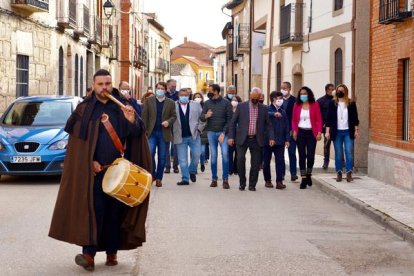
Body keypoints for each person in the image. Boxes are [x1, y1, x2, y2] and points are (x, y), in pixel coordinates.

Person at [49, 69, 152, 271]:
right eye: (100, 84)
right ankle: (88, 254)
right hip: (94, 172)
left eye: (107, 83)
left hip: (119, 172)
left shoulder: (122, 106)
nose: (105, 88)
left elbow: (137, 135)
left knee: (115, 212)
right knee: (94, 210)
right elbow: (78, 145)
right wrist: (89, 162)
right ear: (93, 85)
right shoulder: (84, 109)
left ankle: (112, 251)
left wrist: (132, 121)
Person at [229, 87, 275, 191]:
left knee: (255, 163)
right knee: (240, 159)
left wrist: (271, 137)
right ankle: (242, 182)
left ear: (260, 97)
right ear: (250, 96)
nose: (254, 99)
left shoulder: (263, 108)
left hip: (256, 139)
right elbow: (233, 123)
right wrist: (231, 137)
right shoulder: (241, 106)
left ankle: (252, 184)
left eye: (256, 97)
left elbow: (268, 125)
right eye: (253, 97)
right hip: (242, 138)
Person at [142, 81, 177, 187]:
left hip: (164, 133)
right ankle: (152, 174)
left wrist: (168, 122)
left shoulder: (171, 103)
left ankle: (159, 178)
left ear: (165, 90)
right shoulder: (149, 101)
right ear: (155, 89)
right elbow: (145, 116)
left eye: (162, 88)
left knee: (162, 157)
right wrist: (145, 131)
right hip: (151, 132)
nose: (160, 90)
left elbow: (174, 116)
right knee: (150, 153)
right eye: (158, 88)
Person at [200, 83, 233, 189]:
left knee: (225, 155)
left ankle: (225, 180)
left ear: (216, 91)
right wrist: (206, 115)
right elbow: (201, 117)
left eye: (210, 90)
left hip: (223, 133)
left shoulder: (226, 103)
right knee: (213, 156)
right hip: (211, 132)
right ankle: (214, 179)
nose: (208, 92)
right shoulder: (207, 103)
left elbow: (230, 120)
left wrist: (223, 133)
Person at [325, 84, 359, 182]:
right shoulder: (332, 103)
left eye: (342, 90)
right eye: (338, 90)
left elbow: (355, 118)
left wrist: (356, 130)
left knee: (348, 152)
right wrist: (327, 131)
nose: (340, 92)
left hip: (348, 131)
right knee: (339, 153)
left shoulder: (351, 103)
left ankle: (349, 172)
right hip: (337, 132)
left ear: (346, 91)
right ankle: (339, 172)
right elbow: (329, 119)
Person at [292, 86, 322, 189]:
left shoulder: (315, 104)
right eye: (301, 94)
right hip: (300, 132)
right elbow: (294, 120)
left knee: (310, 155)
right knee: (301, 155)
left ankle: (309, 173)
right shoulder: (296, 105)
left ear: (309, 94)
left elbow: (318, 119)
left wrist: (319, 132)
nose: (303, 95)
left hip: (311, 133)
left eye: (304, 93)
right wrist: (294, 131)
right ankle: (303, 178)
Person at [172, 89, 205, 185]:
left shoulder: (196, 105)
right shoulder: (173, 105)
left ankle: (192, 171)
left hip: (194, 135)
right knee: (182, 160)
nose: (184, 97)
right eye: (181, 95)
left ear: (189, 96)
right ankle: (185, 178)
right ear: (178, 96)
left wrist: (200, 129)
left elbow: (202, 118)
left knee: (196, 155)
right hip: (180, 136)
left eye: (186, 95)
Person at [263, 91, 290, 189]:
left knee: (280, 161)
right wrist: (273, 114)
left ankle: (279, 181)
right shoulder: (266, 109)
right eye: (279, 98)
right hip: (267, 141)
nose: (281, 100)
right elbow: (264, 120)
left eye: (281, 98)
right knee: (266, 161)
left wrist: (287, 139)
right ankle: (268, 180)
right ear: (273, 99)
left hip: (280, 141)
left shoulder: (283, 112)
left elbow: (287, 126)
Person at [281, 81, 298, 181]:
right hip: (280, 131)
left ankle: (293, 173)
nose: (283, 90)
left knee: (292, 153)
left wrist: (293, 129)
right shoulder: (278, 100)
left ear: (289, 89)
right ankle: (282, 173)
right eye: (281, 88)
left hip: (291, 131)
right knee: (280, 154)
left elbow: (296, 117)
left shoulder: (295, 101)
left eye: (284, 88)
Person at [317, 83, 335, 169]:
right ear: (327, 90)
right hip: (325, 126)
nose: (332, 91)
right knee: (327, 144)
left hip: (335, 126)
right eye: (330, 89)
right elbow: (318, 115)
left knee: (337, 143)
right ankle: (326, 161)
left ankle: (342, 162)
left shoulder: (337, 100)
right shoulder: (321, 101)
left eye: (333, 89)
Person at [165, 79, 179, 174]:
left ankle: (175, 166)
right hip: (166, 123)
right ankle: (167, 166)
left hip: (176, 123)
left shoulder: (179, 95)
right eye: (172, 86)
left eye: (175, 86)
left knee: (176, 146)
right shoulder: (163, 95)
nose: (174, 87)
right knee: (166, 146)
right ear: (167, 86)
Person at [193, 92, 208, 172]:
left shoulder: (205, 107)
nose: (197, 98)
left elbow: (206, 120)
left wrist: (201, 129)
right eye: (196, 97)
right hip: (193, 132)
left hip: (203, 132)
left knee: (202, 151)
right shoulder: (191, 106)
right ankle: (194, 168)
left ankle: (202, 163)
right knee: (193, 152)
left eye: (199, 97)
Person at [229, 95, 242, 175]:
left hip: (239, 134)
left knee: (238, 153)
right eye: (233, 100)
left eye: (236, 100)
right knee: (229, 152)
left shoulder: (241, 110)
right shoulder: (229, 110)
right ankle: (230, 169)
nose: (234, 102)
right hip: (230, 133)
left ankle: (236, 169)